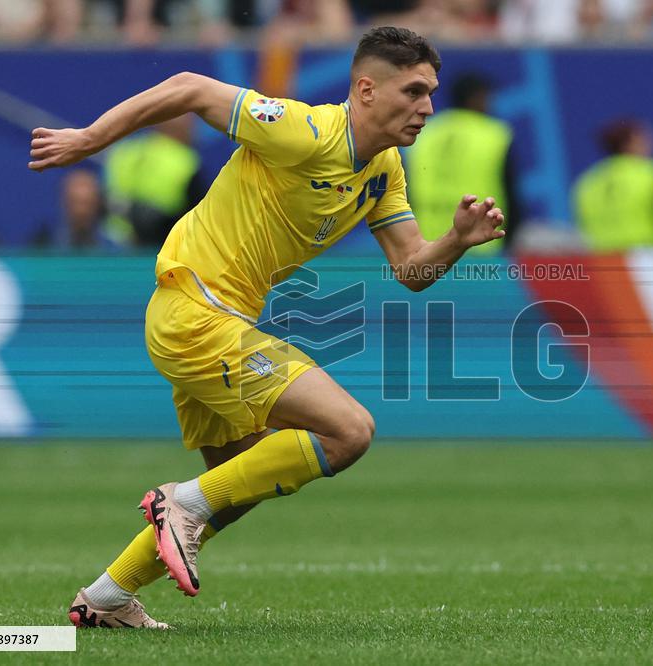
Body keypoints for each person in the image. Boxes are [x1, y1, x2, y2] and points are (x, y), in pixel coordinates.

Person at [28, 25, 505, 629]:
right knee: (349, 430)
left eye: (431, 92)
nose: (428, 108)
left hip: (213, 320)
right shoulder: (304, 130)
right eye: (413, 91)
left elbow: (411, 268)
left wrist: (458, 240)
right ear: (365, 89)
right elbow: (189, 87)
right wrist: (90, 139)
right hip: (196, 312)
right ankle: (179, 503)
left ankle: (105, 598)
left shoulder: (384, 169)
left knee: (237, 485)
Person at [405, 72, 519, 255]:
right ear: (476, 98)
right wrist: (509, 240)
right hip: (480, 241)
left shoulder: (425, 133)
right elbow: (512, 193)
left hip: (426, 242)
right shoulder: (495, 134)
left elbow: (404, 190)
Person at [571, 118, 653, 252]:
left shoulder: (587, 182)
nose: (651, 144)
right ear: (631, 142)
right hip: (646, 259)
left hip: (604, 262)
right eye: (644, 139)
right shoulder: (650, 174)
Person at [103, 114, 208, 247]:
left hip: (113, 250)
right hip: (162, 249)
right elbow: (198, 222)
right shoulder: (186, 161)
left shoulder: (123, 152)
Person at [35, 168, 121, 250]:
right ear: (64, 202)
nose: (81, 211)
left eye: (86, 203)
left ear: (97, 203)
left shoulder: (114, 247)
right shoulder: (44, 243)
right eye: (75, 202)